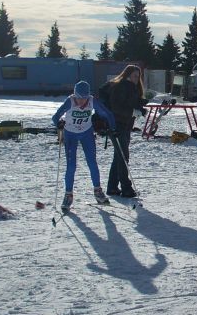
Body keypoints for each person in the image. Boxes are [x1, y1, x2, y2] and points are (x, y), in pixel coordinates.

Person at [52, 81, 116, 213]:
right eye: (80, 98)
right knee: (71, 165)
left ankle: (98, 191)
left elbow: (107, 114)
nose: (82, 101)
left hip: (86, 134)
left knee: (92, 162)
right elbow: (55, 116)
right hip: (70, 135)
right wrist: (58, 123)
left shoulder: (92, 101)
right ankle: (68, 195)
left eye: (85, 98)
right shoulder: (70, 101)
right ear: (75, 95)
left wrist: (112, 127)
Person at [104, 65, 147, 198]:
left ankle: (112, 187)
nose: (136, 78)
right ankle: (126, 187)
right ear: (127, 75)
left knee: (119, 156)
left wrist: (141, 107)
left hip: (125, 125)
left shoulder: (132, 88)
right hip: (116, 126)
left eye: (138, 76)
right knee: (123, 156)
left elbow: (130, 103)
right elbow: (116, 107)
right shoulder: (121, 86)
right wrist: (132, 112)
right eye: (134, 76)